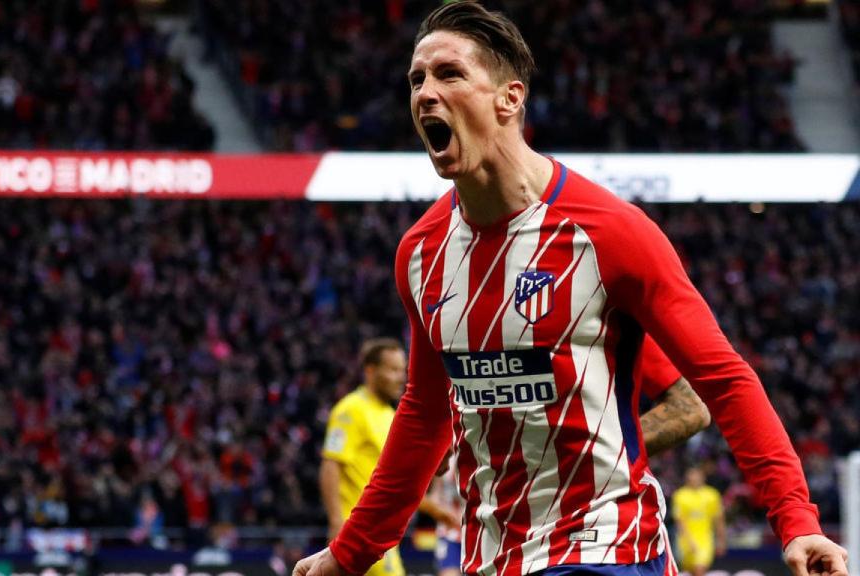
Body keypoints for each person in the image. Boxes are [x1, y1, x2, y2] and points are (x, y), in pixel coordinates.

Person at [293, 2, 848, 576]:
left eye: (449, 74)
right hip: (491, 557)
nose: (425, 93)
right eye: (416, 79)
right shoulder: (420, 253)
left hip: (607, 549)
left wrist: (797, 520)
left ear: (510, 98)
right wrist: (350, 551)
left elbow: (723, 383)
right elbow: (426, 413)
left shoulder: (610, 233)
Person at [430, 337, 710, 576]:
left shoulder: (597, 306)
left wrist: (571, 454)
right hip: (497, 540)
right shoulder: (458, 316)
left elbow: (688, 409)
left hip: (599, 533)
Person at [321, 338, 459, 576]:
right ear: (370, 371)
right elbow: (330, 466)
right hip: (357, 532)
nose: (400, 378)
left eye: (402, 370)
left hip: (380, 534)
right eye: (393, 369)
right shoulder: (350, 409)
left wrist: (435, 510)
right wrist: (336, 522)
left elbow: (399, 481)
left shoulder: (390, 415)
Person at [672, 468, 727, 576]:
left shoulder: (712, 495)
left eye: (697, 475)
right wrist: (688, 541)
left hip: (705, 540)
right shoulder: (680, 495)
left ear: (703, 477)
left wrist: (721, 541)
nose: (694, 478)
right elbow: (679, 522)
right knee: (689, 571)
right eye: (691, 476)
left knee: (699, 569)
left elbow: (719, 520)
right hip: (685, 541)